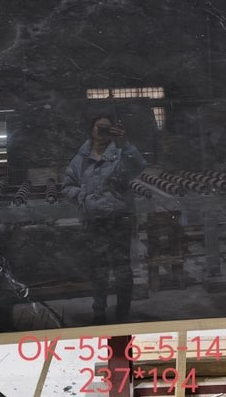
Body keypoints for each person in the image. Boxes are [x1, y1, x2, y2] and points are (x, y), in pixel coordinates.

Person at [62, 114, 147, 323]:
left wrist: (125, 143)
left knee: (122, 271)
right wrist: (83, 196)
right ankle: (99, 312)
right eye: (99, 127)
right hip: (94, 222)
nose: (102, 131)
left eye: (107, 128)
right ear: (91, 130)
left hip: (119, 220)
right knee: (98, 270)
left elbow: (139, 166)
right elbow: (67, 186)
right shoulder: (81, 159)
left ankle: (122, 314)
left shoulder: (120, 155)